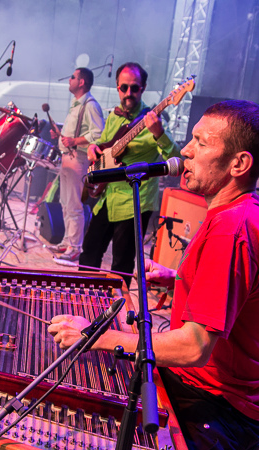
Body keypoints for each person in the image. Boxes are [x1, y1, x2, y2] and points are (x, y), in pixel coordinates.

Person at [49, 100, 259, 450]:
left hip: (220, 405)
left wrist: (98, 336)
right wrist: (178, 278)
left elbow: (194, 347)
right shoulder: (244, 213)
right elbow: (239, 294)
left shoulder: (231, 229)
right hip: (207, 388)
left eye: (201, 143)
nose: (186, 150)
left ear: (239, 164)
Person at [80, 62, 181, 285]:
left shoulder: (153, 120)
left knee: (121, 266)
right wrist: (93, 147)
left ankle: (118, 306)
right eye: (123, 88)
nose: (128, 93)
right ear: (117, 88)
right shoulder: (114, 116)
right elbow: (104, 143)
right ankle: (84, 298)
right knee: (88, 255)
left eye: (134, 88)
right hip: (107, 196)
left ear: (142, 88)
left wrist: (159, 133)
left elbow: (176, 158)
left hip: (135, 201)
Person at [46, 67, 104, 263]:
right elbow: (75, 133)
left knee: (74, 205)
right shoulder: (77, 104)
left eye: (72, 77)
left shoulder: (90, 105)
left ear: (81, 82)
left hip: (78, 159)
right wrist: (61, 135)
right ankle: (67, 241)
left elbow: (99, 133)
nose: (69, 80)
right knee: (65, 203)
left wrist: (75, 141)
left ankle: (75, 247)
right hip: (68, 158)